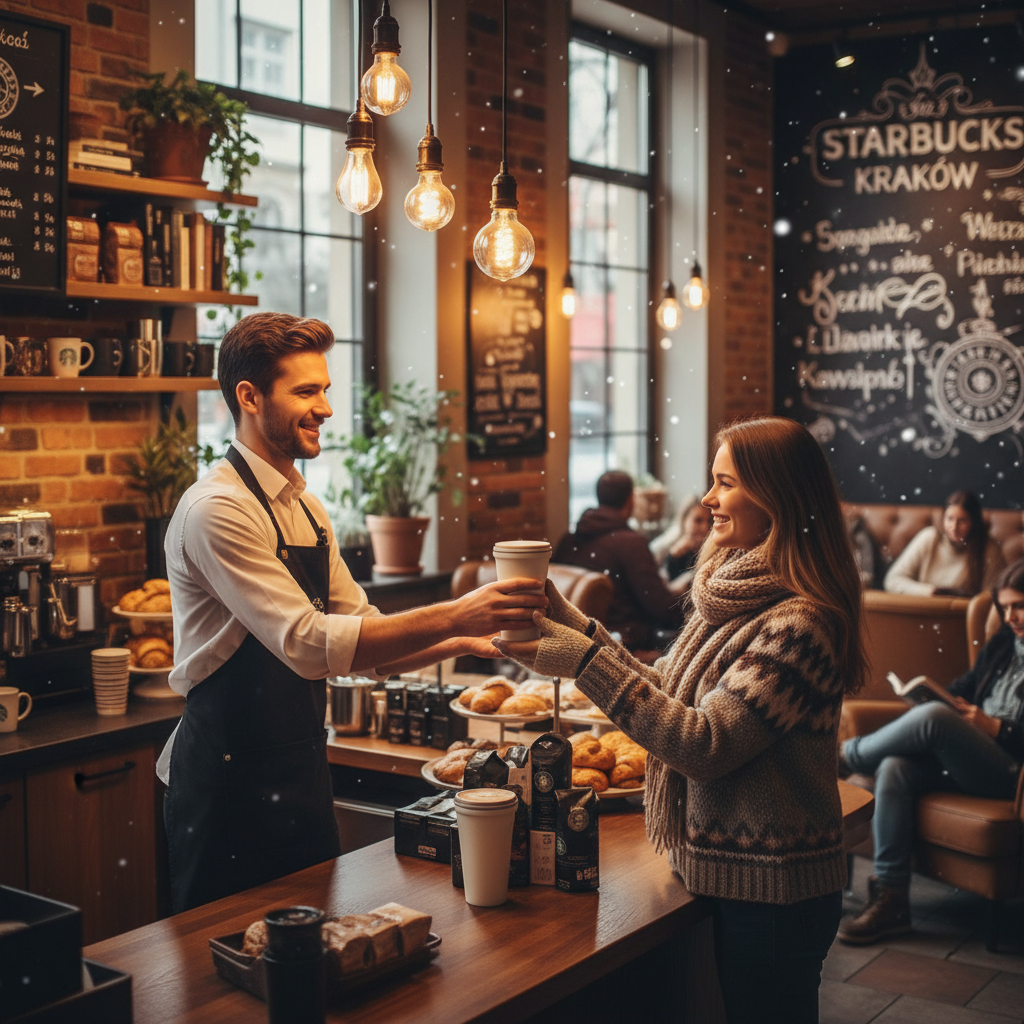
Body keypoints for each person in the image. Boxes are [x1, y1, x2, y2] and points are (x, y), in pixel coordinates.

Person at [159, 312, 545, 913]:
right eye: (306, 391)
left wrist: (466, 643)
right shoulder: (216, 510)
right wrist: (457, 614)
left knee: (319, 960)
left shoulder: (305, 507)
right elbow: (311, 643)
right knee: (224, 983)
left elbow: (360, 640)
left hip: (302, 771)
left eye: (326, 390)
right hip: (226, 786)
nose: (326, 409)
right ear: (249, 396)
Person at [496, 417, 865, 1024]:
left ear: (776, 497)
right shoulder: (731, 590)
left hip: (775, 891)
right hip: (728, 875)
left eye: (725, 483)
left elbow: (705, 743)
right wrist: (574, 622)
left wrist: (584, 660)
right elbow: (665, 688)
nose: (707, 500)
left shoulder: (801, 622)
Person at [838, 558, 1024, 945]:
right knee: (895, 767)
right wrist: (937, 696)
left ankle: (842, 758)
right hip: (972, 755)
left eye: (1020, 605)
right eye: (1006, 607)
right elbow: (967, 686)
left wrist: (996, 727)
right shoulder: (1006, 642)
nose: (1011, 616)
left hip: (1011, 771)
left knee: (935, 720)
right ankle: (893, 902)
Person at [553, 470, 684, 653]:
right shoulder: (630, 543)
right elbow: (662, 608)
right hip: (622, 646)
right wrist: (690, 606)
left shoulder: (569, 539)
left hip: (572, 643)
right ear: (630, 500)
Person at [884, 490, 1006, 596]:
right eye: (950, 519)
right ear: (943, 519)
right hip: (922, 612)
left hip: (960, 619)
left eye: (962, 521)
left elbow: (990, 598)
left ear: (974, 522)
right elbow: (893, 580)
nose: (954, 527)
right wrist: (930, 592)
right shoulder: (930, 537)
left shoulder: (989, 549)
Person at [649, 495, 713, 592]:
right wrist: (672, 556)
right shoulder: (668, 546)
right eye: (698, 520)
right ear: (684, 520)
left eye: (709, 521)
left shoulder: (714, 551)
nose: (705, 527)